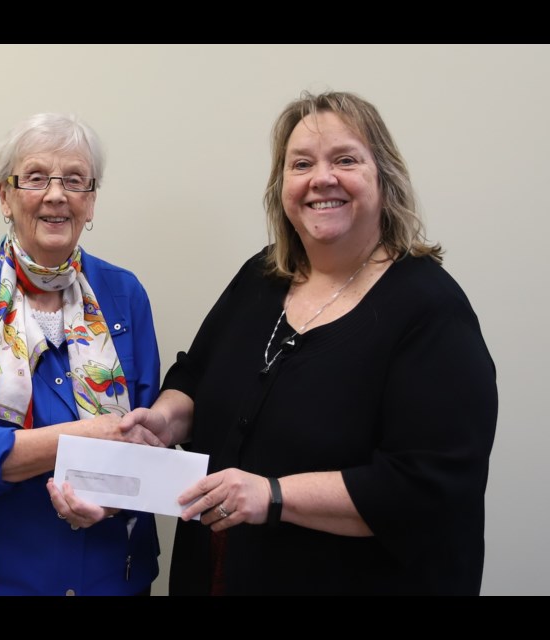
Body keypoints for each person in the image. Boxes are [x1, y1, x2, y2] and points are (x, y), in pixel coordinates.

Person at [121, 91, 498, 595]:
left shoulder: (430, 310)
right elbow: (195, 375)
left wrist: (272, 495)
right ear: (283, 187)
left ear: (383, 178)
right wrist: (165, 419)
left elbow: (428, 485)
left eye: (345, 159)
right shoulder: (262, 276)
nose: (322, 179)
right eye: (302, 164)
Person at [0, 113, 161, 595]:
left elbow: (146, 436)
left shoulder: (124, 293)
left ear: (91, 202)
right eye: (35, 177)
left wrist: (115, 498)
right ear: (4, 196)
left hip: (110, 572)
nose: (56, 195)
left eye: (75, 180)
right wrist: (88, 436)